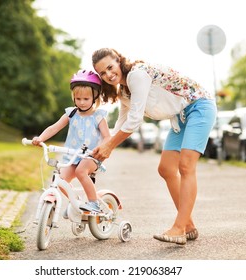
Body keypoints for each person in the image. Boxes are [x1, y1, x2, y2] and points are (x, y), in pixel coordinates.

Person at [91, 48, 217, 245]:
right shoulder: (125, 91)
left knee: (185, 166)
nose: (108, 74)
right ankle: (189, 226)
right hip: (180, 116)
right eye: (102, 73)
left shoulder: (137, 75)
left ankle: (179, 228)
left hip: (199, 106)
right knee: (166, 169)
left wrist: (110, 148)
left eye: (110, 67)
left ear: (118, 60)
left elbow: (134, 121)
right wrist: (100, 147)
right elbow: (120, 125)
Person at [32, 70, 110, 213]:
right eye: (78, 98)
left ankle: (94, 203)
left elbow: (107, 137)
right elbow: (54, 128)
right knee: (60, 181)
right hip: (73, 157)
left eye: (86, 99)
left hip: (91, 157)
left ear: (95, 96)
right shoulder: (71, 113)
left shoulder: (98, 116)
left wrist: (101, 149)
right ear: (73, 97)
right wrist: (40, 138)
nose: (81, 102)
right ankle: (76, 203)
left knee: (81, 172)